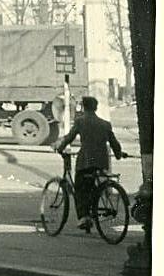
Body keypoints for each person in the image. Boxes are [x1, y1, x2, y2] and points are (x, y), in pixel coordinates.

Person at [55, 96, 128, 231]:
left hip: (86, 160)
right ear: (96, 107)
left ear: (83, 107)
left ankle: (84, 217)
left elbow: (69, 138)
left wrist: (59, 148)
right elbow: (114, 143)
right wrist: (119, 154)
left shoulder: (80, 121)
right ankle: (93, 207)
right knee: (92, 185)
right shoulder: (105, 124)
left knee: (80, 188)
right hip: (101, 161)